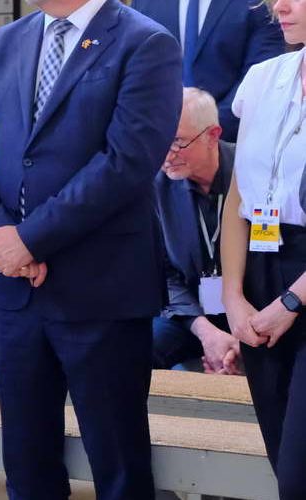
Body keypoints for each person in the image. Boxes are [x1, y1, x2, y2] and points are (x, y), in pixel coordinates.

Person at [0, 0, 180, 496]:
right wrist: (2, 240)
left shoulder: (145, 42)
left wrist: (31, 239)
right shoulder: (5, 41)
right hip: (13, 293)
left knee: (118, 463)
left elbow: (125, 162)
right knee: (26, 462)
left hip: (100, 290)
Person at [220, 2, 306, 495]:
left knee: (297, 473)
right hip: (260, 269)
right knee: (280, 457)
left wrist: (291, 302)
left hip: (299, 283)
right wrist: (233, 296)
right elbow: (239, 196)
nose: (279, 7)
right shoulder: (262, 78)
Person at [153, 88, 239, 373]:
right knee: (134, 350)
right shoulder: (154, 187)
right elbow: (161, 275)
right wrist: (207, 333)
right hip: (190, 315)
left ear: (213, 135)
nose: (166, 155)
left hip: (254, 312)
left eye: (177, 142)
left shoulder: (251, 171)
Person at [132, 0, 284, 141]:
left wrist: (203, 135)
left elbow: (261, 76)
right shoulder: (144, 3)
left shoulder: (259, 4)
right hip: (155, 143)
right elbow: (136, 74)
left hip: (228, 143)